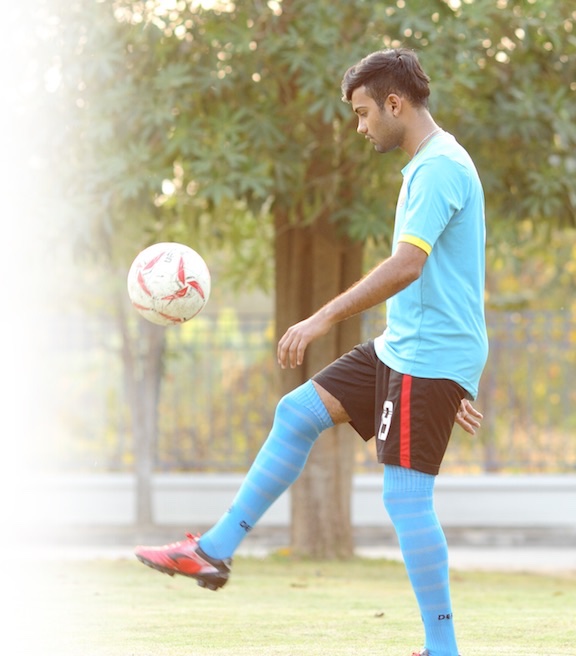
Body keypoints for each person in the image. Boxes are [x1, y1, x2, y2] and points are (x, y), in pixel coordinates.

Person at [135, 47, 488, 656]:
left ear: (395, 104)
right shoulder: (428, 164)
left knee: (405, 497)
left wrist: (324, 317)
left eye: (363, 113)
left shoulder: (438, 169)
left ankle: (443, 648)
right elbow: (455, 276)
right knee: (297, 413)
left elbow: (410, 265)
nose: (360, 127)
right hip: (406, 348)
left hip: (425, 355)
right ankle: (212, 550)